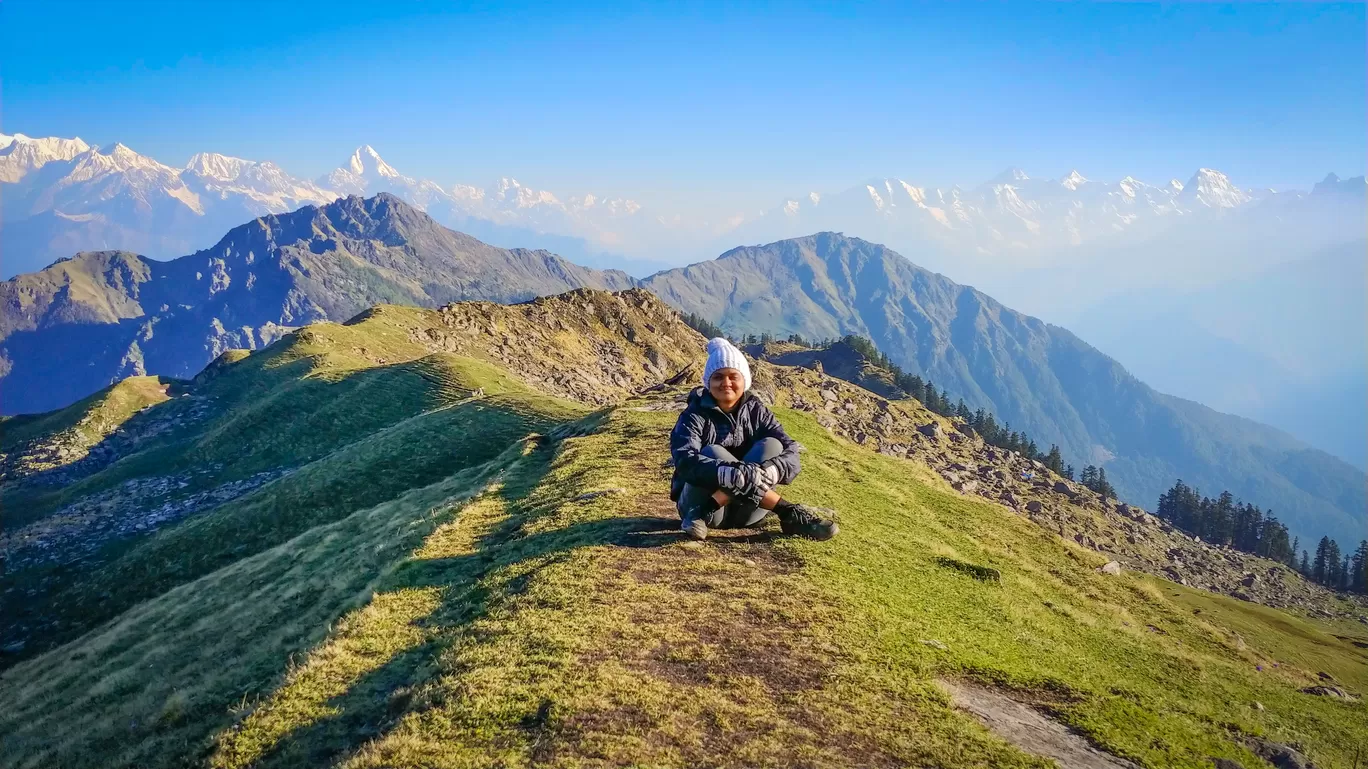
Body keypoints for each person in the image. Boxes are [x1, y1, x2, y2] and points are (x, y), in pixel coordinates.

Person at [669, 337, 839, 542]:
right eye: (718, 377)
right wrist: (726, 473)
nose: (726, 383)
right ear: (708, 382)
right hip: (704, 513)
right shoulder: (693, 415)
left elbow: (790, 450)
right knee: (713, 452)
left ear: (744, 380)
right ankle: (788, 512)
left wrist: (772, 470)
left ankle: (710, 507)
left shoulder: (756, 411)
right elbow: (684, 459)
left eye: (733, 376)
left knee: (773, 445)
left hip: (749, 513)